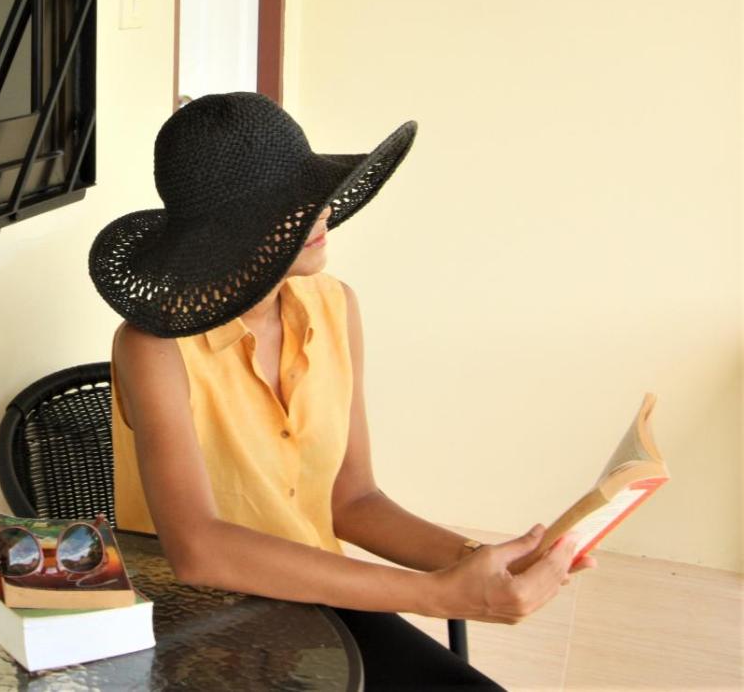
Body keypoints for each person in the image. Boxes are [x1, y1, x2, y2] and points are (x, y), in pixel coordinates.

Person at [87, 92, 594, 690]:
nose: (323, 211)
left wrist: (479, 562)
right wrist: (436, 594)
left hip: (322, 602)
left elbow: (352, 501)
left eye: (316, 193)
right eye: (292, 204)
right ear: (226, 230)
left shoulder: (335, 306)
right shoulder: (154, 347)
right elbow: (198, 550)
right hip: (196, 631)